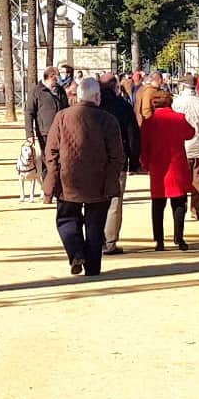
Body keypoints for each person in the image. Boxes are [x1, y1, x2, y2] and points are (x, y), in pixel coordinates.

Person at [43, 77, 125, 277]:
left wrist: (52, 178)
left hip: (67, 180)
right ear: (97, 97)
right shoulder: (108, 120)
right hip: (99, 183)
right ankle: (93, 268)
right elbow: (117, 156)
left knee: (66, 220)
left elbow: (51, 151)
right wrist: (111, 178)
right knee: (95, 225)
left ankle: (76, 252)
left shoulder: (62, 117)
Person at [140, 89, 195, 251]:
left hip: (158, 166)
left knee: (158, 203)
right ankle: (179, 238)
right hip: (177, 165)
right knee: (178, 202)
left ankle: (159, 240)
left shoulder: (149, 122)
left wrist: (145, 162)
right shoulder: (179, 118)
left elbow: (144, 146)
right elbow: (190, 133)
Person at [98, 73, 142, 254]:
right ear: (116, 87)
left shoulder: (92, 106)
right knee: (114, 201)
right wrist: (133, 160)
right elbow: (133, 135)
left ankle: (95, 239)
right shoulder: (123, 106)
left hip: (93, 161)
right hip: (118, 161)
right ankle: (109, 242)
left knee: (94, 201)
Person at [172, 74, 199, 221]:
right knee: (197, 180)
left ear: (183, 86)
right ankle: (197, 210)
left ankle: (181, 208)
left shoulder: (175, 104)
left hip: (180, 148)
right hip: (198, 147)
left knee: (180, 180)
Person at [24, 66, 68, 181]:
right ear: (51, 76)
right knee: (47, 159)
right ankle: (47, 188)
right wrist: (29, 134)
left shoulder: (60, 90)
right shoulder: (36, 91)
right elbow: (29, 113)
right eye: (57, 76)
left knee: (61, 159)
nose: (59, 79)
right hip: (45, 132)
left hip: (62, 132)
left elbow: (66, 109)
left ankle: (59, 188)